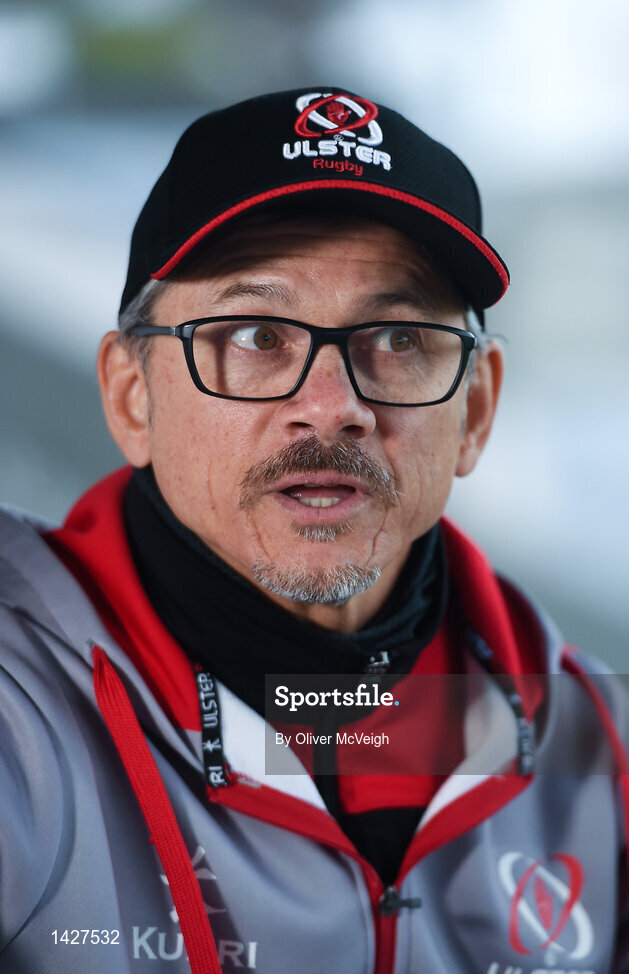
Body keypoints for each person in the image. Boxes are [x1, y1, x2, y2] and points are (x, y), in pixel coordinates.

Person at [0, 87, 627, 974]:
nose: (331, 407)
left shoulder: (599, 747)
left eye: (398, 340)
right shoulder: (18, 713)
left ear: (476, 411)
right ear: (131, 397)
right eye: (256, 334)